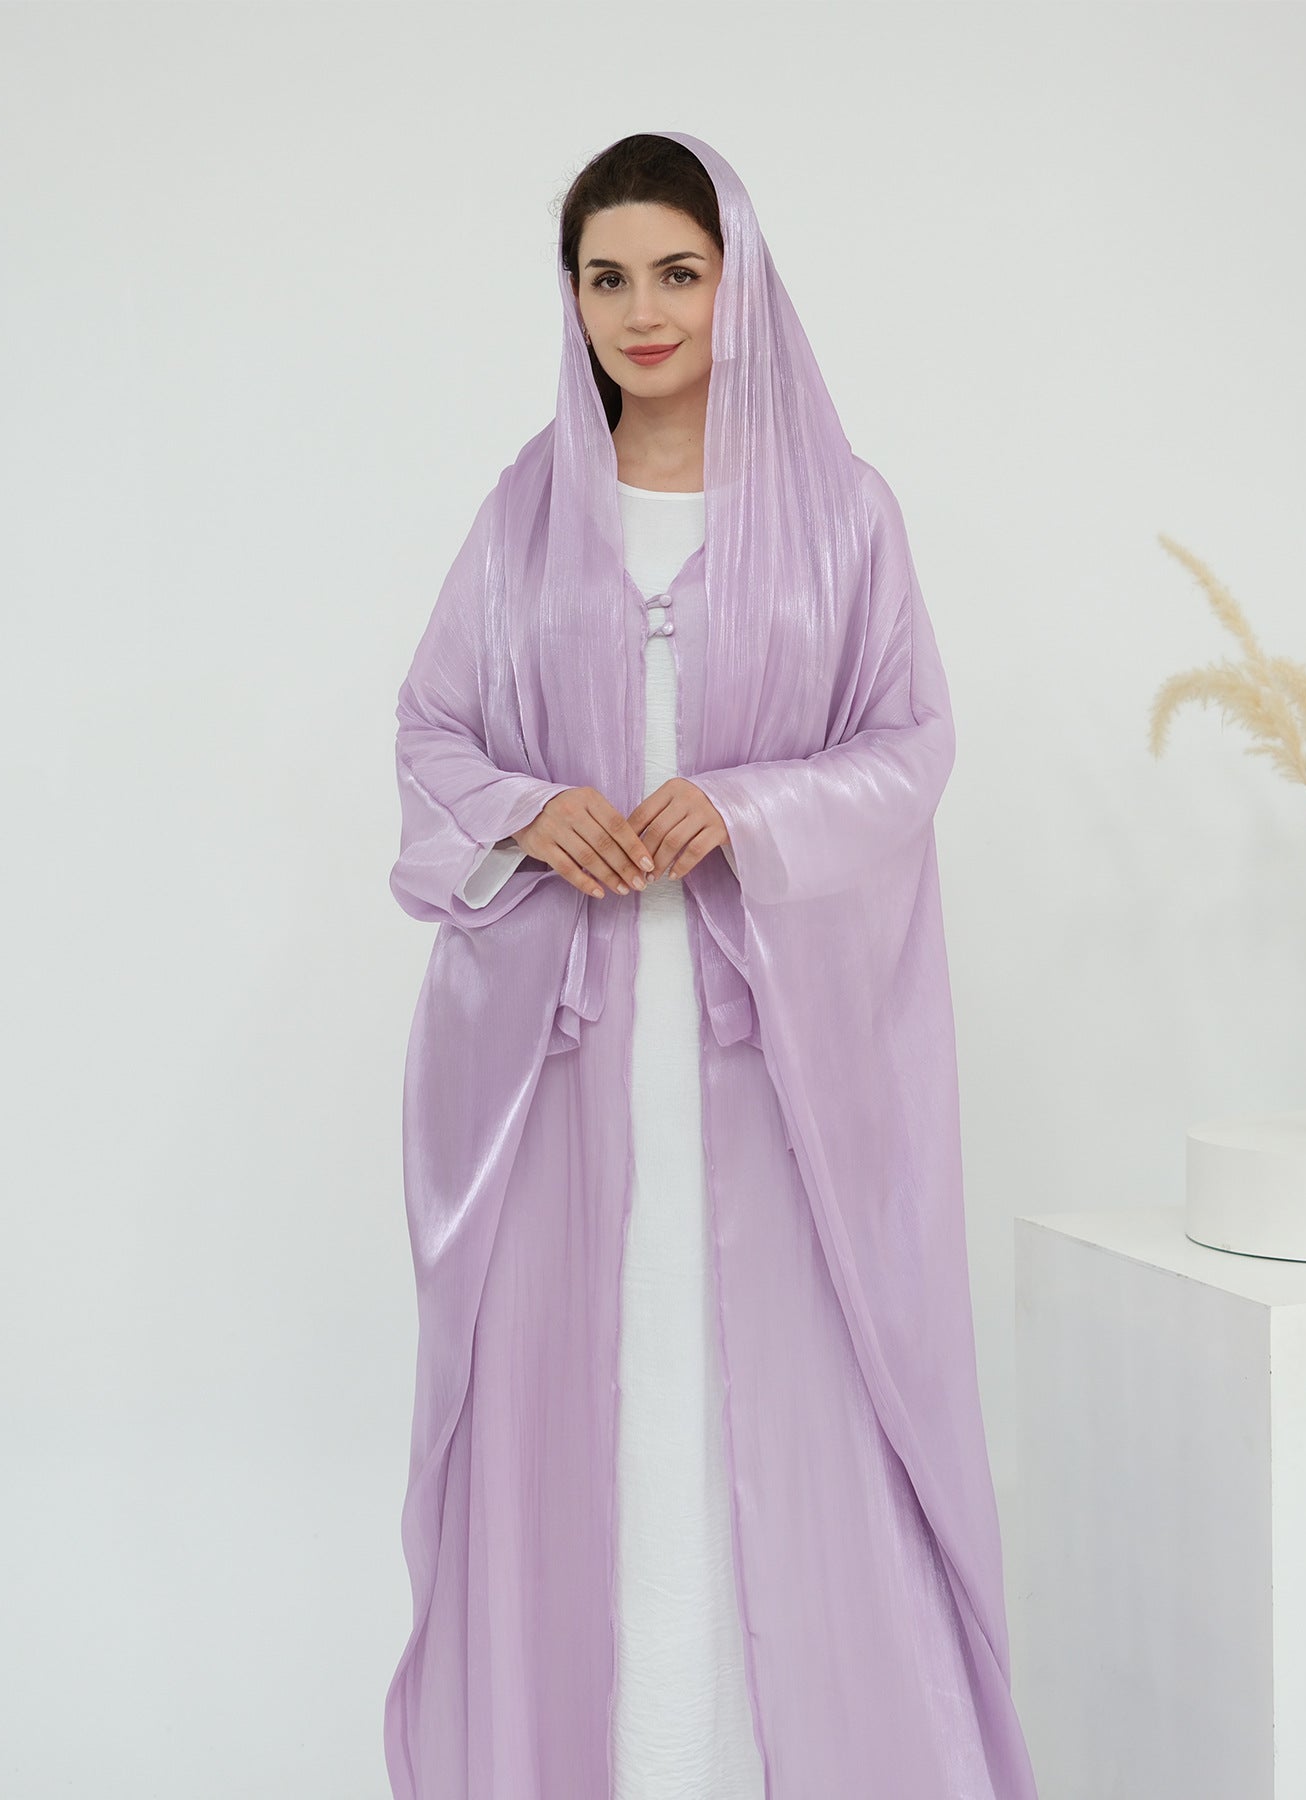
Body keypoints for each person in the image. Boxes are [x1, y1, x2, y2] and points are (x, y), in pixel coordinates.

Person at [385, 131, 1039, 1800]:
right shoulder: (527, 517)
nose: (643, 310)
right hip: (567, 1075)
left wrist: (744, 809)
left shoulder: (840, 517)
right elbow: (433, 735)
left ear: (737, 281)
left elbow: (911, 747)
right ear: (572, 300)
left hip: (778, 1076)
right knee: (598, 1404)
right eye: (606, 277)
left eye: (677, 271)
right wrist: (535, 814)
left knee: (784, 1415)